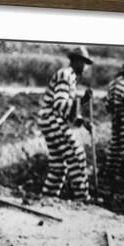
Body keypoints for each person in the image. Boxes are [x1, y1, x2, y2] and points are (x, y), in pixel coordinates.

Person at [37, 46, 94, 200]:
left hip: (51, 120)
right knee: (77, 155)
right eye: (84, 63)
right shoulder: (65, 75)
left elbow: (69, 113)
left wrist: (83, 121)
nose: (86, 67)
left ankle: (47, 198)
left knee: (59, 165)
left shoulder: (71, 79)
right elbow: (60, 104)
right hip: (52, 119)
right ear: (76, 61)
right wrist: (81, 101)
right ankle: (82, 198)